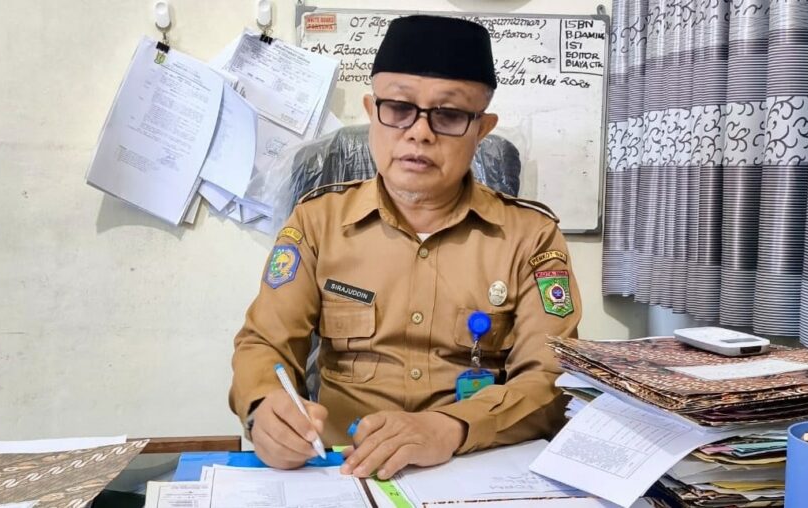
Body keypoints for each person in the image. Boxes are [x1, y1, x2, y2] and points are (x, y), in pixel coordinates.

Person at [229, 14, 581, 480]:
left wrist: (452, 427)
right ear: (372, 110)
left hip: (475, 470)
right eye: (398, 108)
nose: (419, 132)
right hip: (341, 471)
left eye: (449, 115)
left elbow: (553, 379)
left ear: (482, 129)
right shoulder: (316, 223)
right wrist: (263, 408)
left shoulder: (531, 237)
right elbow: (264, 343)